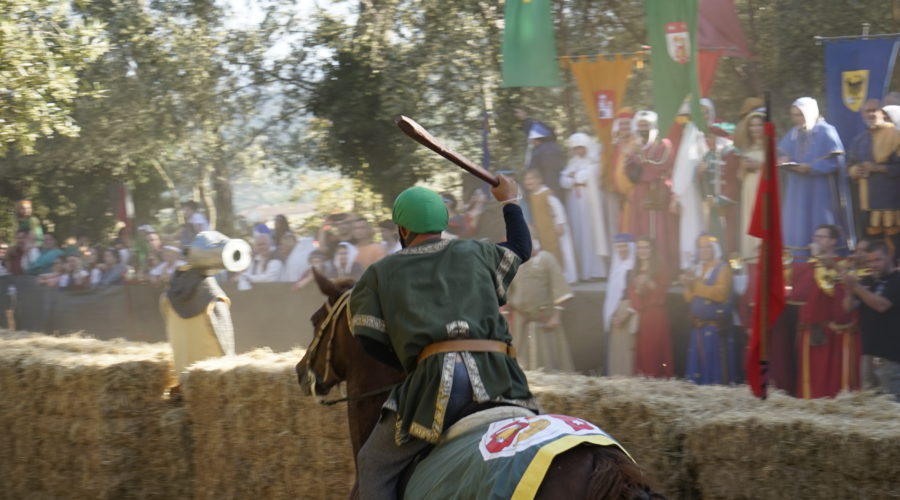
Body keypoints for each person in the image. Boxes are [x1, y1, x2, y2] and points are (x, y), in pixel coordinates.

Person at [350, 178, 538, 500]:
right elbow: (521, 247)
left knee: (373, 463)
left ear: (403, 231)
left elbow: (368, 339)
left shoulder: (380, 273)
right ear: (443, 223)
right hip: (502, 378)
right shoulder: (478, 251)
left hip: (437, 386)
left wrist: (413, 364)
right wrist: (509, 200)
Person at [161, 231, 237, 401]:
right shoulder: (214, 300)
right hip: (211, 385)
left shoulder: (168, 296)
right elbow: (226, 347)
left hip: (184, 382)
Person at [792, 225, 860, 398]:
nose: (817, 239)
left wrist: (819, 260)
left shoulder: (842, 265)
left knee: (830, 382)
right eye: (816, 236)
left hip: (832, 331)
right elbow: (798, 294)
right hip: (809, 329)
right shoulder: (809, 266)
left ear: (833, 241)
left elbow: (829, 288)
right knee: (810, 381)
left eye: (822, 236)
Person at [777, 97, 848, 256]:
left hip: (819, 189)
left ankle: (824, 259)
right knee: (799, 220)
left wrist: (812, 168)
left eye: (800, 115)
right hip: (798, 187)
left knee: (819, 218)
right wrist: (785, 161)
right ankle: (799, 257)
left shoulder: (826, 131)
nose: (797, 119)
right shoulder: (793, 133)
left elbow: (837, 162)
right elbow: (784, 154)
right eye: (794, 115)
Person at [841, 240, 900, 400]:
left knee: (892, 403)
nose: (873, 265)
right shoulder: (867, 281)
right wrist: (849, 289)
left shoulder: (897, 280)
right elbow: (848, 307)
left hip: (891, 356)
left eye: (878, 260)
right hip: (868, 353)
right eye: (870, 261)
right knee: (868, 402)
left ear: (889, 257)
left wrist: (857, 287)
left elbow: (881, 305)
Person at [507, 240, 575, 371]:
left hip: (544, 320)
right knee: (522, 361)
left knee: (549, 359)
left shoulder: (547, 259)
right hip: (521, 322)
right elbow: (506, 292)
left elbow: (560, 287)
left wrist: (556, 316)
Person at [847, 99, 900, 258]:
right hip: (867, 202)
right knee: (873, 245)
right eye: (867, 110)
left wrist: (879, 168)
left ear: (882, 113)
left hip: (892, 203)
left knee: (894, 245)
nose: (870, 113)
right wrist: (857, 171)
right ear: (862, 114)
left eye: (874, 110)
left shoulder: (895, 135)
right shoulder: (859, 139)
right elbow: (850, 165)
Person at [625, 111, 676, 271]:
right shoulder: (636, 146)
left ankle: (660, 269)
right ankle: (643, 268)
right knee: (640, 229)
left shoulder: (663, 144)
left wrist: (641, 163)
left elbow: (661, 166)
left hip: (656, 193)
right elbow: (629, 169)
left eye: (646, 125)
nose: (643, 129)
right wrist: (637, 160)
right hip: (639, 195)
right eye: (640, 125)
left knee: (658, 231)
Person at [682, 234, 736, 385]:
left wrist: (696, 286)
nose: (704, 251)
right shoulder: (698, 270)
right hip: (698, 327)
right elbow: (688, 298)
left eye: (707, 247)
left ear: (714, 249)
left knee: (714, 372)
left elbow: (721, 294)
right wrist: (688, 284)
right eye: (701, 247)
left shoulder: (723, 268)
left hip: (714, 330)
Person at [559, 132, 609, 280]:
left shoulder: (594, 161)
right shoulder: (572, 162)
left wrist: (573, 177)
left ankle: (597, 271)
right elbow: (562, 180)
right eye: (575, 148)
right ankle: (584, 272)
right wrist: (572, 178)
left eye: (581, 147)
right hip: (575, 201)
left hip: (589, 201)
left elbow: (586, 176)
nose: (578, 151)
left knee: (591, 234)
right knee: (579, 233)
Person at [628, 236, 674, 378]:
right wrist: (638, 291)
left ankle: (657, 379)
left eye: (646, 247)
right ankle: (645, 379)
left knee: (655, 350)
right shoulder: (634, 269)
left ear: (652, 250)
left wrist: (649, 283)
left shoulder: (660, 267)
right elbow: (633, 295)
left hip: (656, 315)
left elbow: (662, 294)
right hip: (642, 315)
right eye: (640, 247)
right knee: (643, 351)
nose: (642, 251)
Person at [522, 168, 577, 283]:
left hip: (554, 228)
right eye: (526, 179)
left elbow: (558, 208)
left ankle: (565, 276)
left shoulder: (546, 193)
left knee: (559, 250)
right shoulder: (532, 196)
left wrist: (560, 224)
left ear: (539, 180)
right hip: (543, 229)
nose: (529, 181)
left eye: (531, 178)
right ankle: (552, 277)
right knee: (547, 251)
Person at [734, 111, 766, 259]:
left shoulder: (771, 146)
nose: (755, 129)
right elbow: (740, 176)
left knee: (763, 221)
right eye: (752, 126)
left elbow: (778, 168)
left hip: (764, 190)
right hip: (748, 190)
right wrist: (744, 166)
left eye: (759, 125)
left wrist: (759, 165)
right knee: (749, 222)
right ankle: (751, 259)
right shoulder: (746, 148)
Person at [604, 234, 638, 376]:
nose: (622, 250)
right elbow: (611, 295)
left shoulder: (633, 267)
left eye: (624, 246)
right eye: (619, 247)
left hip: (629, 310)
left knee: (628, 349)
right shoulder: (616, 267)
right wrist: (611, 315)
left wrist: (625, 314)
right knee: (617, 350)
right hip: (616, 312)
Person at [610, 108, 637, 232]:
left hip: (636, 196)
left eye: (627, 124)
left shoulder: (637, 143)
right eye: (621, 124)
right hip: (623, 198)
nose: (624, 127)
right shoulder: (617, 146)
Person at [527, 122, 567, 199]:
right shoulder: (555, 147)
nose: (533, 143)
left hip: (547, 188)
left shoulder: (540, 150)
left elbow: (534, 169)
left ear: (539, 139)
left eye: (534, 140)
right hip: (559, 186)